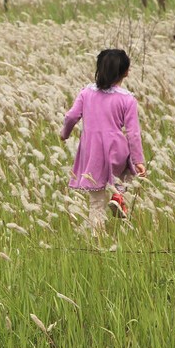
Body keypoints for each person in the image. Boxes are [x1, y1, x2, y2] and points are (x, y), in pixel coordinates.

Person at [60, 48, 146, 230]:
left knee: (96, 202)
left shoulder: (86, 93)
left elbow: (71, 117)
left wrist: (64, 134)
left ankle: (96, 238)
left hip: (92, 154)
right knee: (129, 173)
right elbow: (133, 133)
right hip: (116, 149)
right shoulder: (127, 99)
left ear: (99, 69)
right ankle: (119, 196)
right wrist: (138, 160)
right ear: (126, 72)